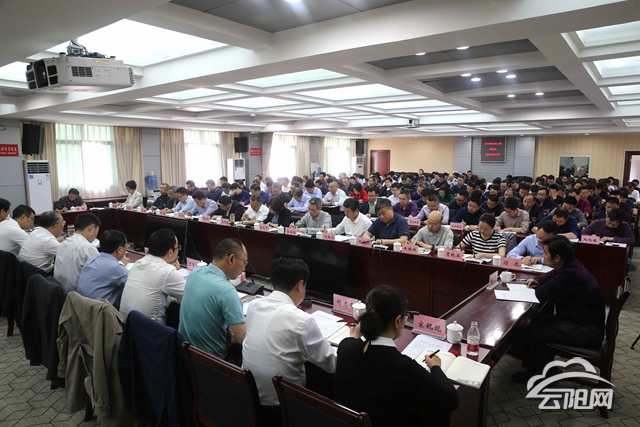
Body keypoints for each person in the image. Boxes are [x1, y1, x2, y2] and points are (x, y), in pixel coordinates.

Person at [335, 285, 459, 427]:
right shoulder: (403, 367)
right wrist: (435, 367)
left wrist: (353, 338)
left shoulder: (345, 346)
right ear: (398, 321)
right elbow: (451, 401)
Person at [243, 258, 340, 425]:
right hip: (284, 407)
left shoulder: (254, 306)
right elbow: (332, 363)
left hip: (250, 397)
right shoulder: (301, 320)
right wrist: (351, 343)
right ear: (300, 285)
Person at [511, 236, 605, 383]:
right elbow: (551, 274)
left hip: (586, 331)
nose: (543, 256)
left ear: (557, 258)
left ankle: (537, 374)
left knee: (533, 330)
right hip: (578, 320)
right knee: (535, 321)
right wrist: (538, 280)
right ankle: (545, 368)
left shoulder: (569, 274)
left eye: (545, 253)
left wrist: (536, 287)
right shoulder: (572, 265)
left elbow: (540, 294)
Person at [180, 238, 247, 360]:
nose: (244, 269)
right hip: (212, 362)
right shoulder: (227, 290)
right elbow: (244, 340)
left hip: (185, 353)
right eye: (244, 262)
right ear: (231, 259)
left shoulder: (195, 273)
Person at [120, 228, 186, 324]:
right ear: (170, 252)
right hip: (150, 331)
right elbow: (189, 296)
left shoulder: (139, 263)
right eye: (177, 248)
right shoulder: (167, 271)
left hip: (126, 327)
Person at [77, 229, 130, 309]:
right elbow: (133, 282)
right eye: (126, 247)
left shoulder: (93, 258)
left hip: (81, 308)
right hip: (100, 313)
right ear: (119, 249)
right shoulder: (116, 268)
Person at [54, 213, 101, 294]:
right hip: (78, 296)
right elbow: (101, 274)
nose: (95, 237)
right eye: (97, 232)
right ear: (91, 228)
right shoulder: (88, 248)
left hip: (60, 292)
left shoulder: (64, 243)